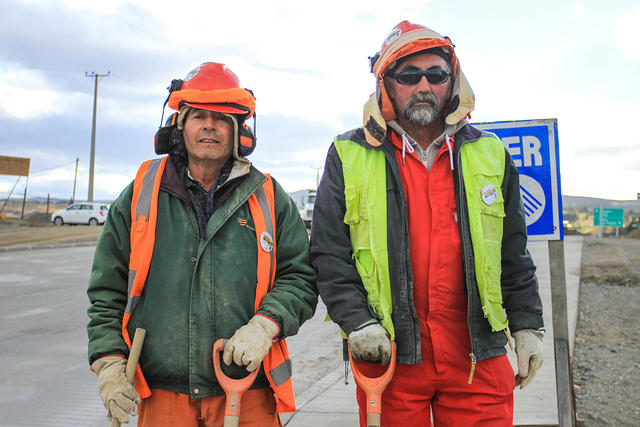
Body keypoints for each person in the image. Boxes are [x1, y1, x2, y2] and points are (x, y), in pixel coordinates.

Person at [310, 21, 544, 426]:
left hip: (476, 354)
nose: (423, 86)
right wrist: (358, 322)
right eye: (408, 75)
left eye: (435, 75)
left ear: (451, 81)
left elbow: (512, 252)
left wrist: (527, 325)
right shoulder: (347, 153)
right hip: (391, 354)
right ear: (386, 83)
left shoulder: (489, 153)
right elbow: (330, 254)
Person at [87, 62, 317, 426]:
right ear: (180, 127)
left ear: (239, 131)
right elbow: (107, 288)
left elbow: (300, 278)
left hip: (247, 388)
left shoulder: (269, 197)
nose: (209, 125)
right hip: (163, 395)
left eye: (222, 118)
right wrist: (108, 361)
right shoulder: (141, 195)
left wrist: (265, 325)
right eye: (198, 116)